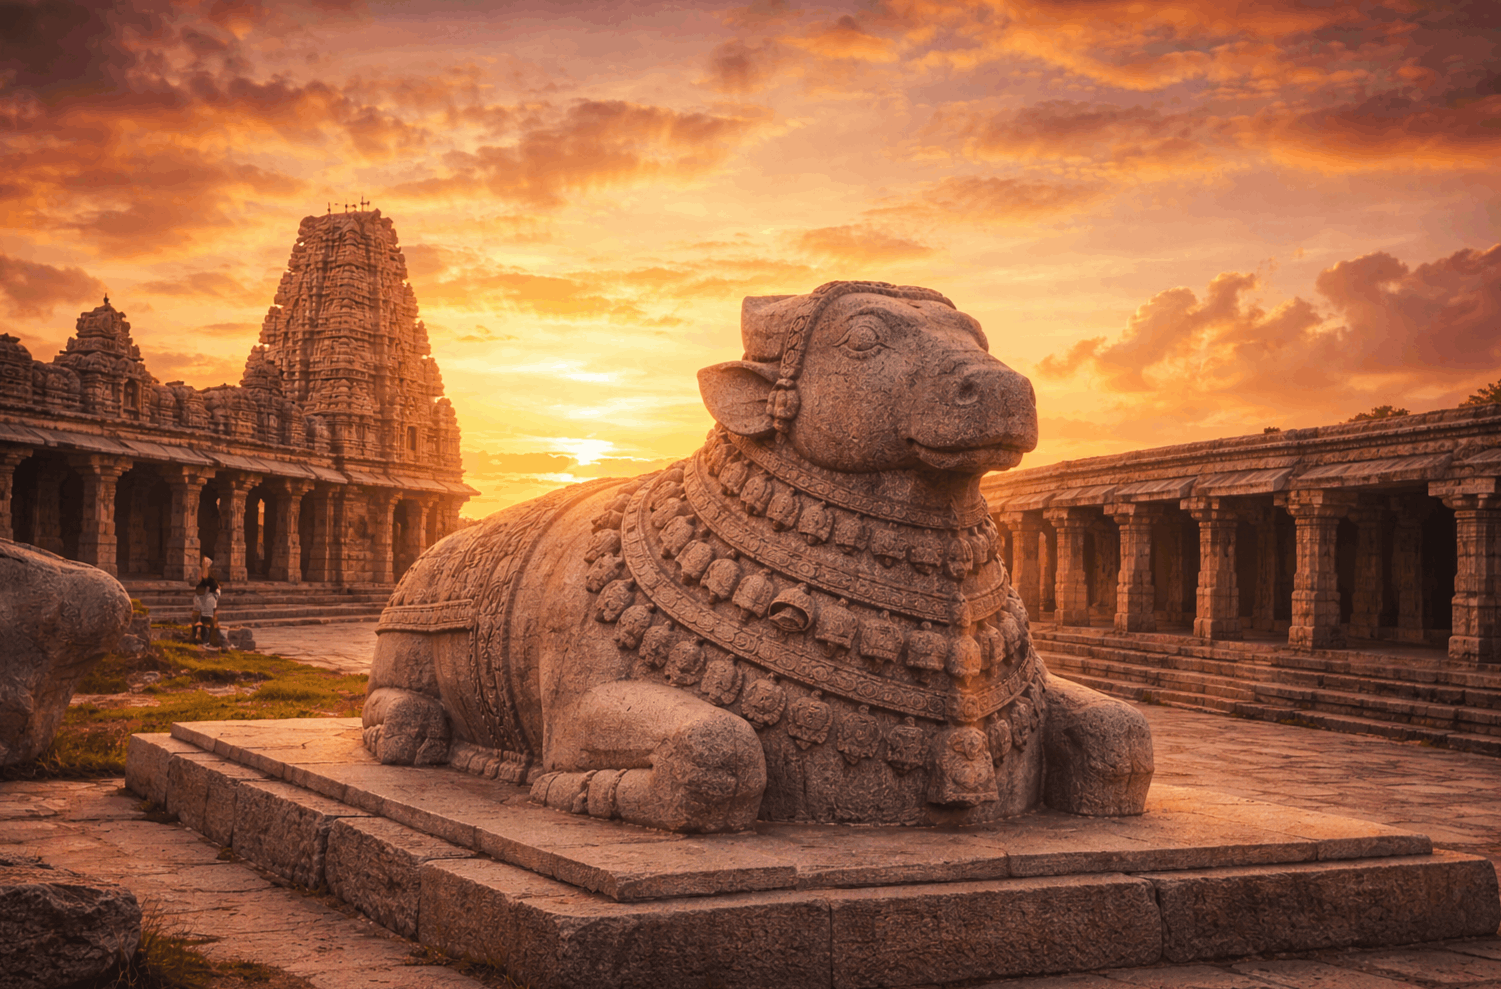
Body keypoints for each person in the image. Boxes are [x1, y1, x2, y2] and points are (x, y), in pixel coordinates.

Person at [191, 576, 221, 646]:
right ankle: (206, 641)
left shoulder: (200, 596)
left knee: (205, 627)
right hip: (207, 615)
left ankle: (202, 640)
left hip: (203, 615)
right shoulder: (213, 596)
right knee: (207, 627)